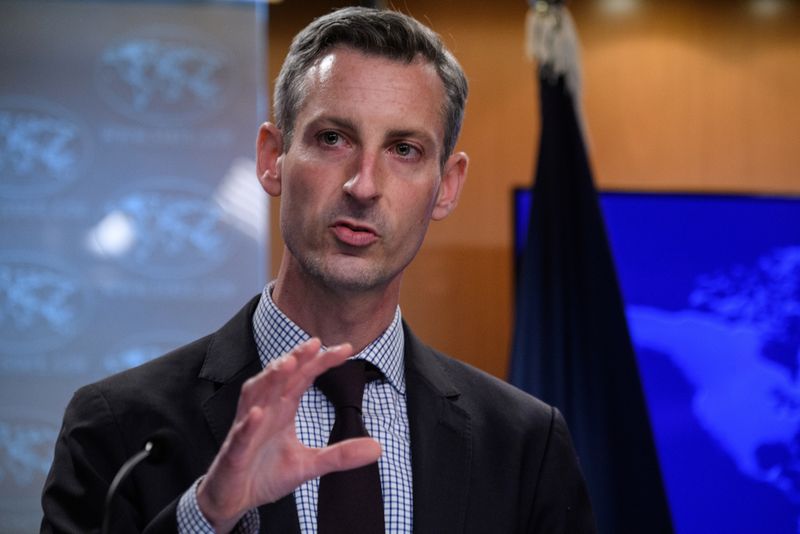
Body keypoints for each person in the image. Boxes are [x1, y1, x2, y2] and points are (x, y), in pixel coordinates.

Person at [41, 7, 596, 533]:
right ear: (271, 158)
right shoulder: (118, 425)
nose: (364, 185)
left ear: (446, 186)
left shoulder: (525, 442)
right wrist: (207, 516)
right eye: (333, 139)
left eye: (404, 149)